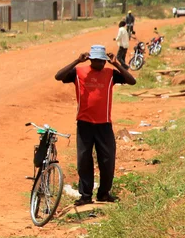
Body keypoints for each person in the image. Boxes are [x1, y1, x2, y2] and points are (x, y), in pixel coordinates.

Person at [55, 45, 136, 206]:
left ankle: (104, 194)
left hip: (104, 124)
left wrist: (116, 64)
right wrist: (77, 61)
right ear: (91, 59)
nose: (101, 63)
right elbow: (59, 76)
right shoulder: (78, 73)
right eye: (97, 60)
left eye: (103, 61)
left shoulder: (110, 74)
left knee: (107, 160)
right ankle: (85, 195)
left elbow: (132, 81)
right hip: (84, 124)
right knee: (84, 160)